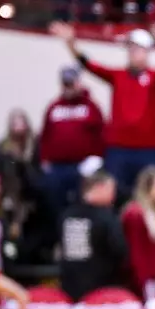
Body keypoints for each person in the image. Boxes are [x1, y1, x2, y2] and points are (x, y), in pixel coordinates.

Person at [58, 23, 155, 200]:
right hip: (118, 150)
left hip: (147, 150)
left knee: (148, 198)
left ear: (146, 52)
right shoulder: (118, 76)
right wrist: (71, 45)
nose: (132, 53)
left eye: (137, 49)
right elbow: (91, 66)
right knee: (117, 197)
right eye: (130, 49)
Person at [38, 66, 106, 218]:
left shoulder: (91, 107)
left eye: (71, 83)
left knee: (81, 206)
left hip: (82, 167)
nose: (68, 87)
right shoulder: (53, 108)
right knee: (55, 206)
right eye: (65, 84)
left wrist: (97, 159)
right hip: (57, 168)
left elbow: (101, 134)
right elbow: (45, 136)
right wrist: (44, 160)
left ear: (78, 83)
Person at [57, 167, 132, 302]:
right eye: (111, 190)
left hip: (70, 289)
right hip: (101, 292)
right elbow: (120, 251)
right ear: (99, 187)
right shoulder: (106, 218)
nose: (114, 196)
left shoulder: (66, 215)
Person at [120, 166, 155, 299]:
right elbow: (135, 251)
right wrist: (141, 282)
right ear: (148, 188)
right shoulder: (135, 213)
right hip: (143, 281)